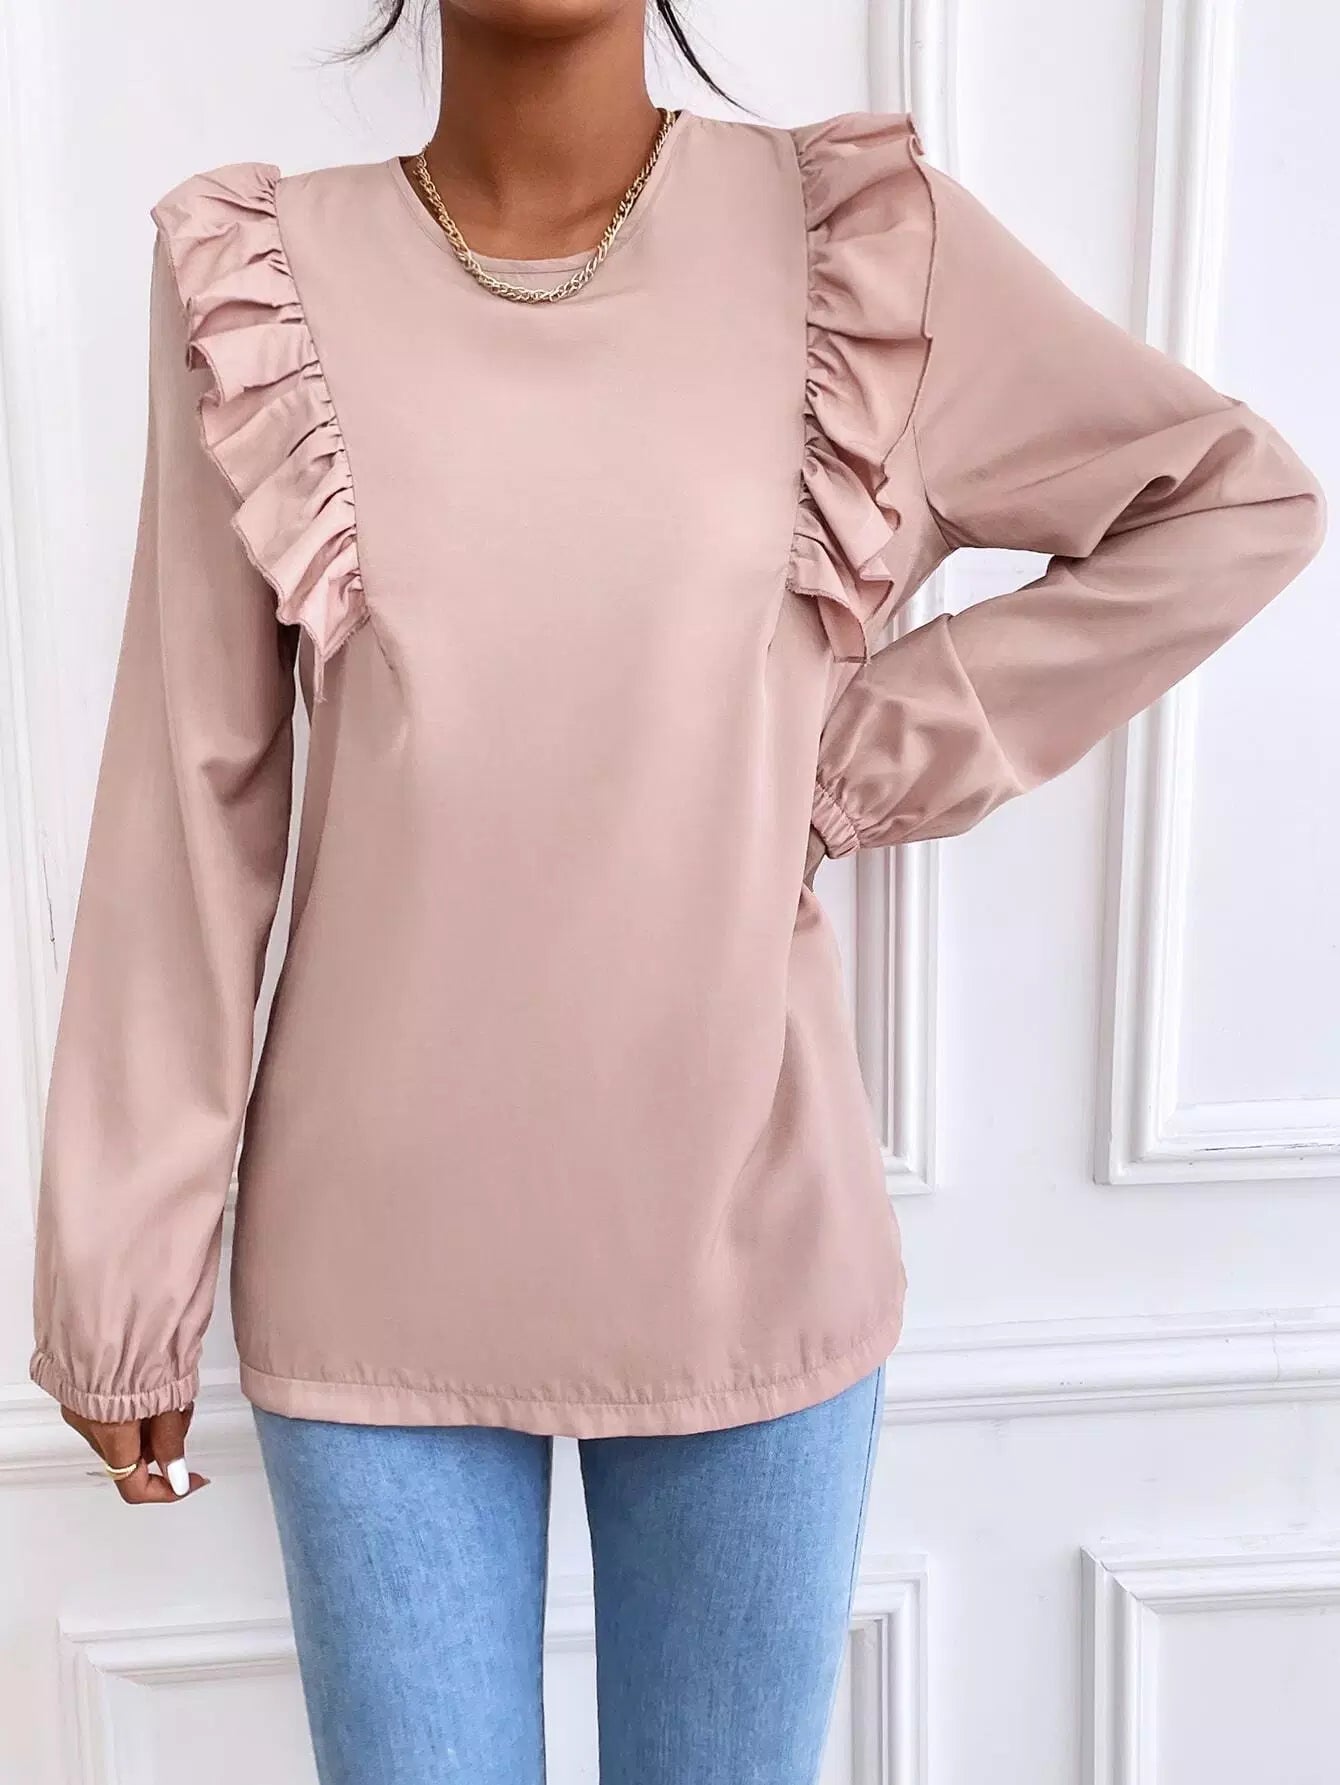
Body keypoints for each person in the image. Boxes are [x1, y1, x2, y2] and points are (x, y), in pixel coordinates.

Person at [27, 1, 1325, 1780]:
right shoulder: (260, 279)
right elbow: (190, 790)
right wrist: (121, 1273)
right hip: (373, 1266)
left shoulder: (863, 245)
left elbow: (1233, 499)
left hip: (752, 1240)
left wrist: (857, 754)